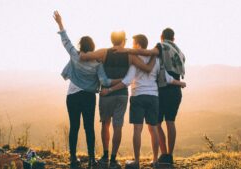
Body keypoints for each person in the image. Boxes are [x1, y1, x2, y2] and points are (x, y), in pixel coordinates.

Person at [101, 34, 186, 169]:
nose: (133, 46)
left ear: (139, 45)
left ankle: (137, 162)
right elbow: (167, 78)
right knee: (153, 129)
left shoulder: (135, 60)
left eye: (134, 43)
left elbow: (126, 81)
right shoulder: (157, 60)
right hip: (153, 97)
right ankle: (155, 161)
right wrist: (180, 83)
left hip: (138, 96)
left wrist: (109, 90)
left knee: (137, 130)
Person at [53, 11, 121, 169]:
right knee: (89, 127)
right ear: (93, 47)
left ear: (80, 46)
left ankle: (73, 159)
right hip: (89, 97)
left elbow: (65, 41)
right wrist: (122, 81)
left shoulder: (75, 56)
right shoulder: (97, 62)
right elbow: (105, 81)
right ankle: (91, 159)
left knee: (74, 127)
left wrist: (60, 23)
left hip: (72, 96)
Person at [80, 31, 156, 168]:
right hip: (121, 94)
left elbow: (85, 57)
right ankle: (114, 159)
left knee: (105, 124)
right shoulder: (130, 56)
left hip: (105, 94)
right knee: (117, 126)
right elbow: (146, 68)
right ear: (123, 41)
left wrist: (81, 54)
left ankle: (105, 156)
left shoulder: (104, 52)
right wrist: (154, 57)